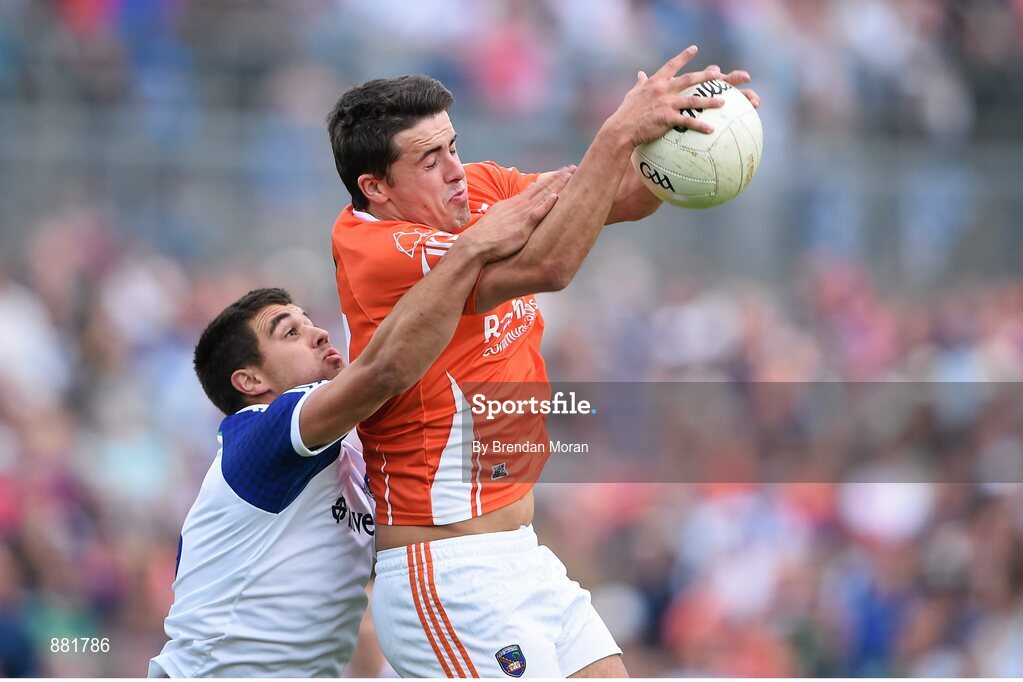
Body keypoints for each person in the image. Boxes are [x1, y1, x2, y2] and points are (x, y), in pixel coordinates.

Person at [326, 46, 760, 677]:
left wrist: (689, 139)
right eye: (430, 159)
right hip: (448, 572)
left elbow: (623, 195)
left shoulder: (474, 189)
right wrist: (617, 131)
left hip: (519, 555)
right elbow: (548, 266)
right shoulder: (374, 249)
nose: (455, 169)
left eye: (453, 146)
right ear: (375, 187)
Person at [147, 174, 567, 677]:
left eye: (307, 320)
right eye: (291, 333)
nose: (318, 332)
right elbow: (382, 371)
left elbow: (367, 613)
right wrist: (470, 249)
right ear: (250, 380)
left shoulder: (356, 460)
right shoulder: (258, 434)